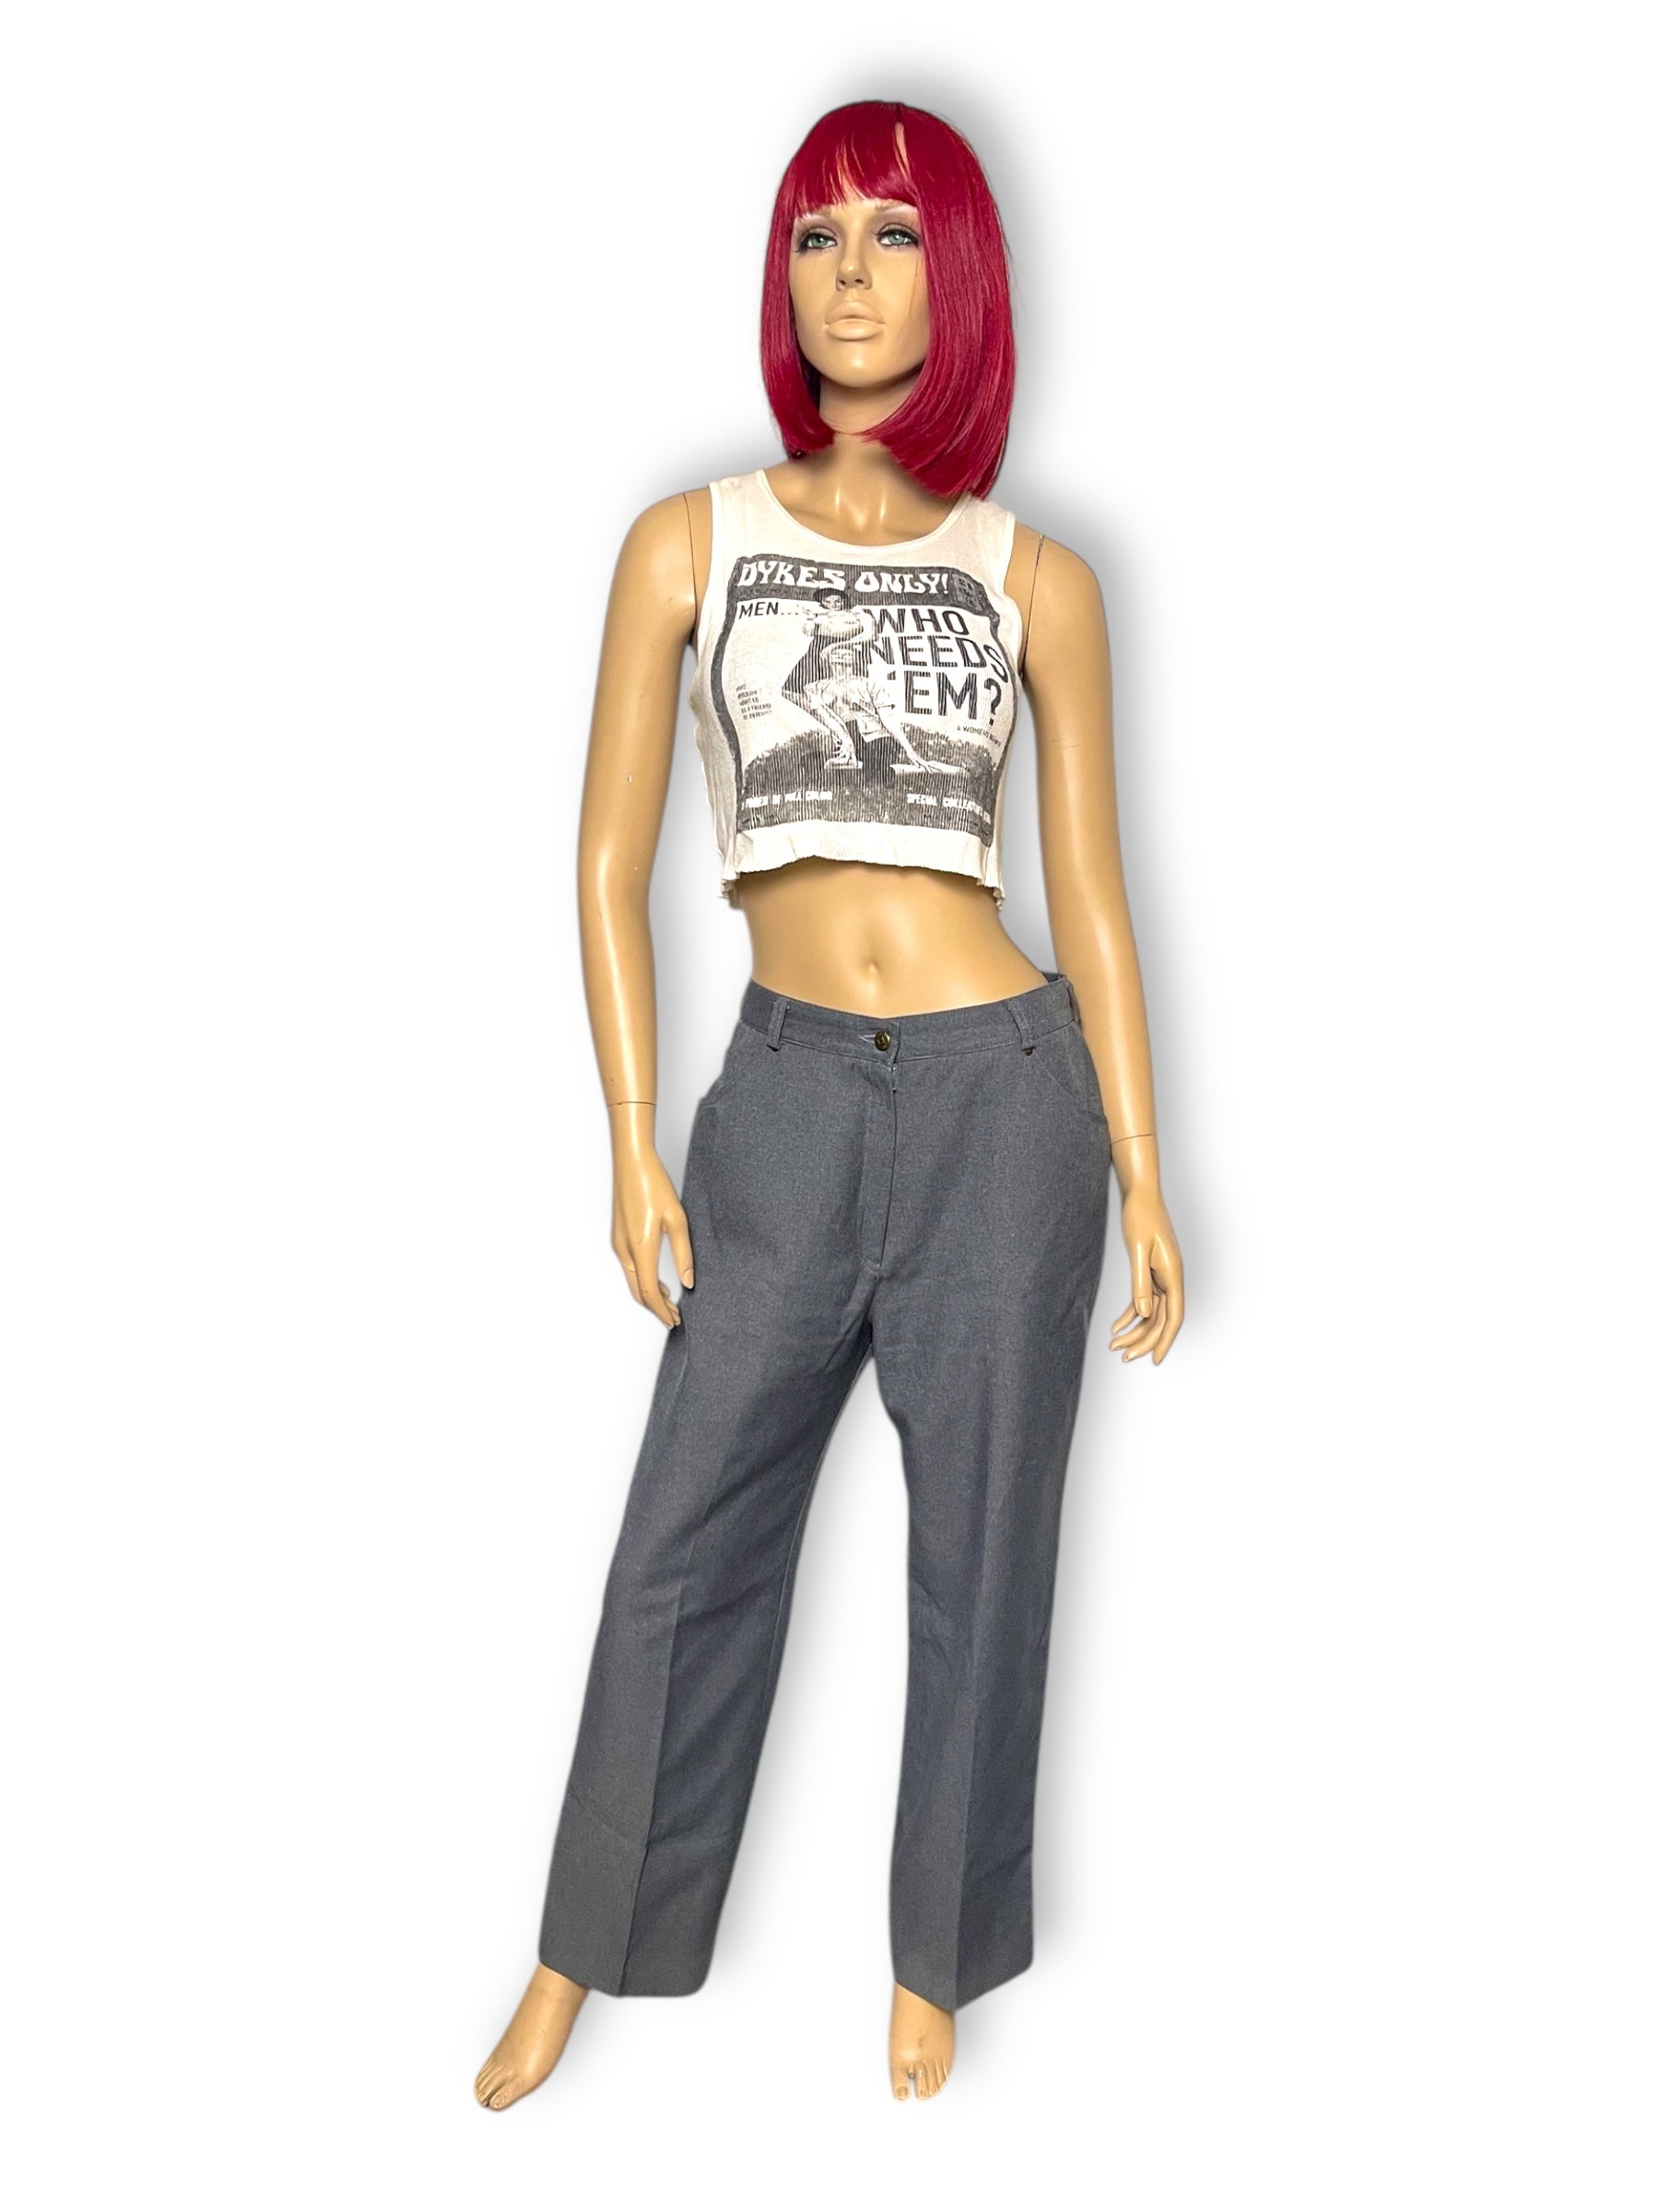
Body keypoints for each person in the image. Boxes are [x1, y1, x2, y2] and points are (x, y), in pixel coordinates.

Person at [475, 98, 1184, 2112]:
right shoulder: (689, 543)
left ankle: (937, 1962)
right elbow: (606, 860)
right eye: (817, 234)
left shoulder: (1035, 578)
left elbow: (1095, 893)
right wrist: (630, 1134)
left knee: (988, 1549)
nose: (849, 275)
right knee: (680, 1548)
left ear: (960, 278)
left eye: (892, 234)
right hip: (782, 1102)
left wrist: (1144, 1169)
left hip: (1006, 1104)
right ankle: (583, 1952)